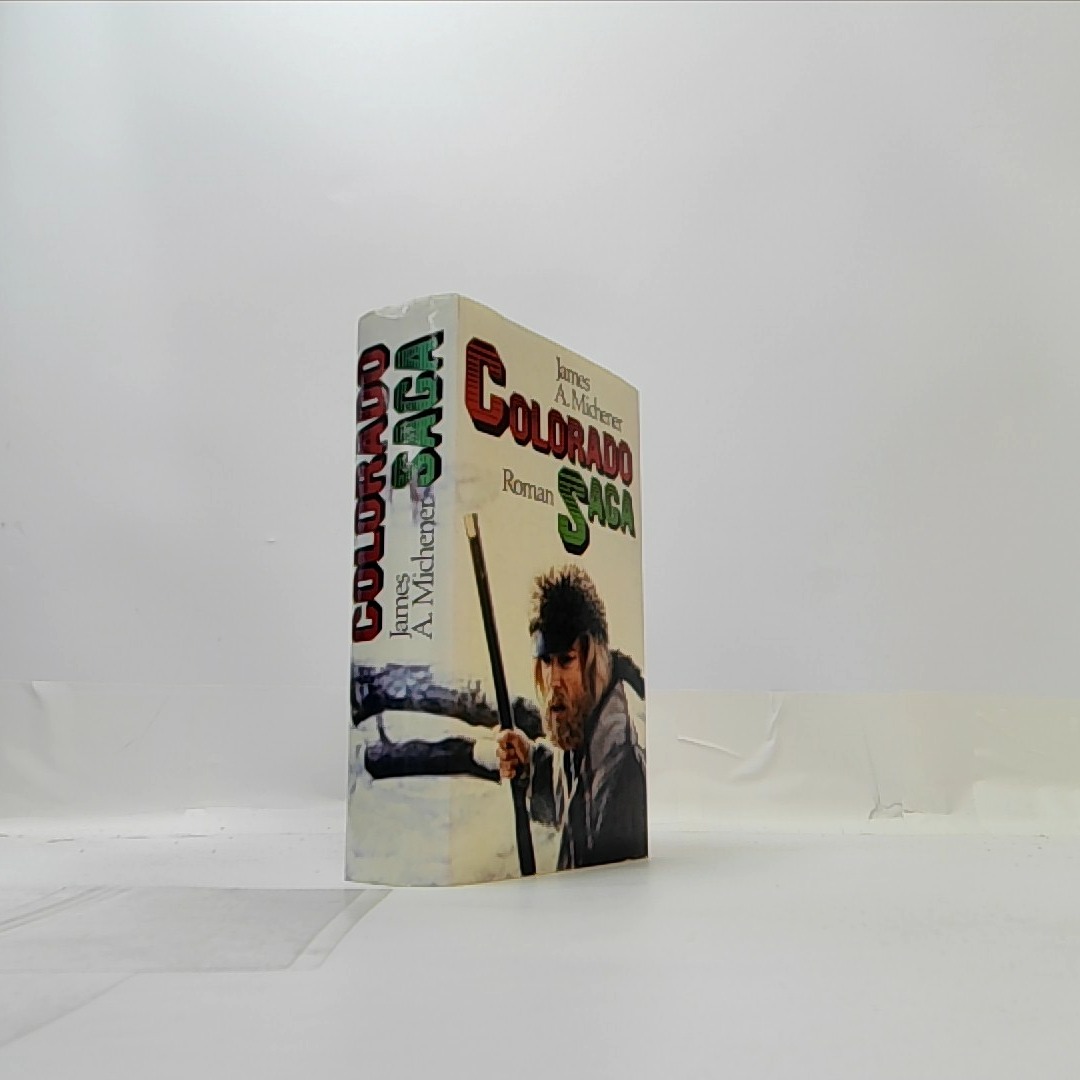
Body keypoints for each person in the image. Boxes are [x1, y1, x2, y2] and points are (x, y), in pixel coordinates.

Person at [496, 565, 647, 870]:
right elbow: (567, 795)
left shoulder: (625, 767)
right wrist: (530, 765)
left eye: (566, 661)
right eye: (546, 661)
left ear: (596, 659)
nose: (553, 680)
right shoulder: (583, 729)